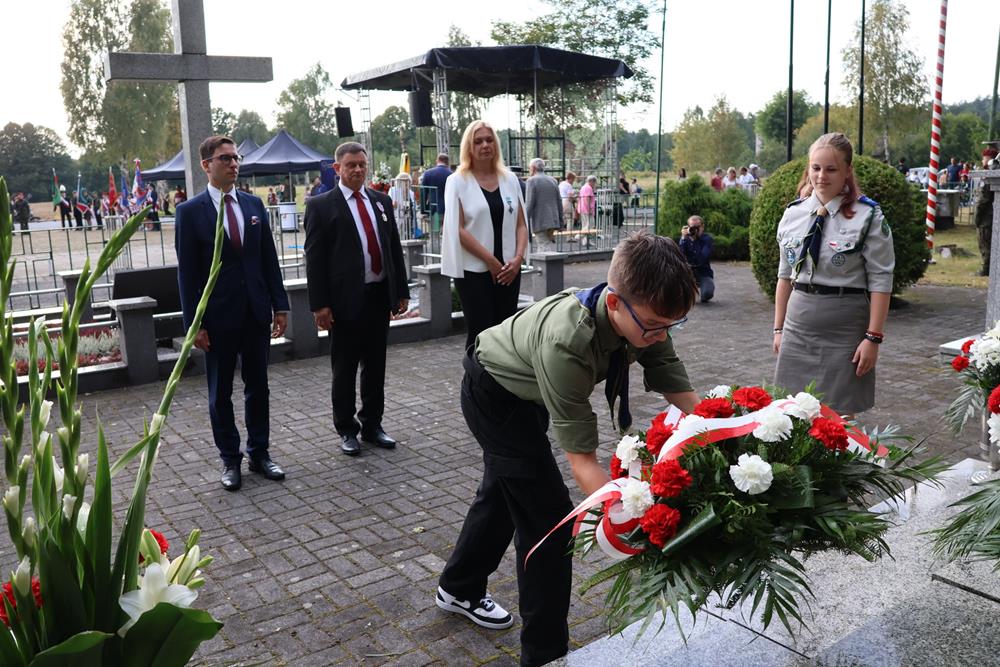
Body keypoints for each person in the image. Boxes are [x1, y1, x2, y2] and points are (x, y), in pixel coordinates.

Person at [436, 231, 699, 667]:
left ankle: (458, 587)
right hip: (494, 396)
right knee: (549, 521)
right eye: (655, 326)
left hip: (530, 394)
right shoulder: (567, 342)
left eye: (671, 326)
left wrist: (721, 426)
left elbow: (672, 377)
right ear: (614, 303)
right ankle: (545, 656)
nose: (660, 336)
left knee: (506, 493)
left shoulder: (645, 316)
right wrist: (638, 518)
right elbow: (582, 462)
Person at [175, 135, 290, 491]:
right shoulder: (190, 212)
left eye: (236, 157)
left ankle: (260, 453)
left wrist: (280, 304)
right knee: (219, 393)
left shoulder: (253, 205)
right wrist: (194, 324)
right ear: (206, 165)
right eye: (225, 158)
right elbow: (187, 275)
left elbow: (268, 259)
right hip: (217, 319)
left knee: (258, 387)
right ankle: (230, 459)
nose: (234, 164)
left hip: (255, 312)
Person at [773, 132, 894, 416]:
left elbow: (881, 281)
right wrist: (778, 329)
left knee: (838, 420)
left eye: (831, 169)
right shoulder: (792, 214)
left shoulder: (868, 217)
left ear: (847, 171)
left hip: (845, 330)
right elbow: (784, 276)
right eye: (815, 168)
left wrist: (873, 338)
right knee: (791, 414)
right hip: (797, 325)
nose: (821, 176)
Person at [304, 141, 409, 457]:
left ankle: (373, 425)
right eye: (351, 165)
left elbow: (393, 248)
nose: (358, 170)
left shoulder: (380, 201)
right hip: (343, 302)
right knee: (345, 368)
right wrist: (319, 304)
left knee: (376, 366)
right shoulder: (321, 206)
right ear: (337, 168)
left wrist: (401, 291)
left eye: (362, 164)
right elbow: (315, 260)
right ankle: (347, 429)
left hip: (378, 297)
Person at [441, 120, 528, 351]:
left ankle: (503, 376)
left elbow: (521, 224)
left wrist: (518, 259)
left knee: (506, 334)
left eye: (489, 140)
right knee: (481, 334)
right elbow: (457, 228)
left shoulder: (510, 179)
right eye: (478, 141)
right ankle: (475, 375)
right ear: (469, 147)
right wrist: (490, 261)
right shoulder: (457, 181)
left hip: (509, 270)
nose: (485, 145)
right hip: (474, 272)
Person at [525, 158, 562, 245]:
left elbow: (529, 203)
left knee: (543, 246)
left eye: (529, 168)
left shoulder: (531, 181)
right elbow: (559, 201)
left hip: (540, 221)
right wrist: (561, 221)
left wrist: (524, 221)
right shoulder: (553, 180)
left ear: (533, 168)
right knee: (545, 244)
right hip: (553, 220)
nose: (529, 170)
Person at [679, 215, 714, 302]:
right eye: (692, 227)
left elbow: (702, 259)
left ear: (702, 227)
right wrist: (683, 239)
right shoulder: (685, 239)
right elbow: (680, 255)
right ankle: (689, 289)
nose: (695, 230)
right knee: (679, 295)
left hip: (703, 272)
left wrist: (694, 241)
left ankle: (702, 287)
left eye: (697, 227)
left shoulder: (707, 240)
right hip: (687, 272)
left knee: (707, 294)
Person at [975, 146, 999, 276]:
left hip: (986, 216)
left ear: (989, 158)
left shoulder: (989, 175)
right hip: (991, 214)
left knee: (985, 242)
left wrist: (977, 217)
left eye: (984, 158)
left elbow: (983, 199)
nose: (982, 160)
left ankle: (986, 269)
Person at [420, 152, 452, 220]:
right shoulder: (452, 175)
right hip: (449, 210)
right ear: (447, 162)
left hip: (433, 210)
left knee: (435, 227)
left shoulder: (428, 173)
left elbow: (423, 193)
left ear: (437, 161)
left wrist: (423, 210)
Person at [576, 174, 597, 245]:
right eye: (594, 182)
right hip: (586, 209)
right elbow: (587, 199)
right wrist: (589, 209)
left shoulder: (584, 187)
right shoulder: (588, 188)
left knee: (585, 225)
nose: (595, 184)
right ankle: (579, 236)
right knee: (590, 225)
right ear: (591, 181)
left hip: (583, 208)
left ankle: (586, 241)